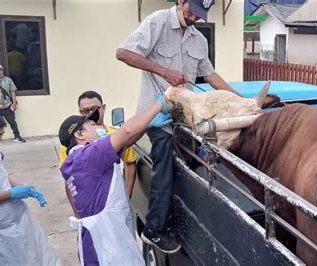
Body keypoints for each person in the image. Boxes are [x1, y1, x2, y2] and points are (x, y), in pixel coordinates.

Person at [116, 0, 240, 253]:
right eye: (191, 10)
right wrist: (164, 71)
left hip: (184, 119)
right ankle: (154, 229)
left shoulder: (198, 40)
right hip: (158, 115)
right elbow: (123, 53)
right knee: (165, 167)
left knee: (190, 167)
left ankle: (178, 219)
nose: (194, 17)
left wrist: (240, 101)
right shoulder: (157, 21)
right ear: (181, 1)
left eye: (200, 14)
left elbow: (211, 75)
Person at [59, 93, 171, 265]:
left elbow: (127, 141)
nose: (99, 126)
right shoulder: (88, 156)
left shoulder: (77, 159)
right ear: (80, 135)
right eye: (93, 125)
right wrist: (159, 104)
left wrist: (148, 123)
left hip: (102, 237)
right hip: (106, 245)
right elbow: (126, 132)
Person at [0, 109, 60, 265]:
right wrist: (10, 194)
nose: (0, 140)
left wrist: (25, 188)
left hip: (14, 217)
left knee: (34, 255)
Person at [59, 91, 138, 216]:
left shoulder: (116, 135)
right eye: (85, 111)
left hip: (114, 205)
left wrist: (126, 198)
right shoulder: (71, 146)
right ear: (80, 112)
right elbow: (69, 182)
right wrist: (78, 213)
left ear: (103, 108)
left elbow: (130, 164)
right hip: (93, 211)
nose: (90, 113)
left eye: (94, 109)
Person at [0, 63, 26, 143]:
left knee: (12, 122)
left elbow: (13, 91)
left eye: (0, 70)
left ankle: (17, 136)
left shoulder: (8, 80)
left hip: (7, 105)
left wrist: (14, 103)